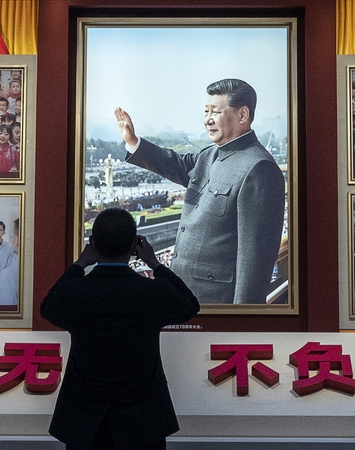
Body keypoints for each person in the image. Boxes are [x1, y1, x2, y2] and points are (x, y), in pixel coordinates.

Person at [115, 78, 285, 304]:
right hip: (183, 296)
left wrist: (243, 318)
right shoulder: (209, 155)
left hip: (215, 303)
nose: (207, 120)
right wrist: (133, 141)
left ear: (243, 115)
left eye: (215, 112)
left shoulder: (259, 168)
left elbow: (254, 260)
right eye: (206, 111)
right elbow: (174, 163)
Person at [41, 208, 199, 450]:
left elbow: (47, 307)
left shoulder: (74, 293)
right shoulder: (151, 293)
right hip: (143, 424)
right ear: (134, 244)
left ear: (92, 244)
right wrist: (154, 263)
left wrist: (80, 263)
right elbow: (190, 304)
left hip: (87, 423)